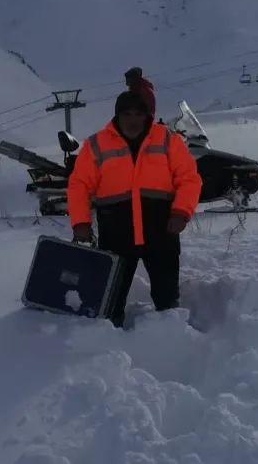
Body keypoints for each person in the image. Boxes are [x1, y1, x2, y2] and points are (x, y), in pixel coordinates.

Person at [67, 90, 202, 328]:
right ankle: (108, 346)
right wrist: (80, 222)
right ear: (117, 116)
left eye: (138, 114)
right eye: (126, 114)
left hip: (161, 230)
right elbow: (79, 185)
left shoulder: (167, 139)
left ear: (147, 116)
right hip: (116, 233)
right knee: (110, 300)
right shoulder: (95, 144)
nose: (132, 120)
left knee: (167, 298)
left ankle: (173, 338)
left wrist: (182, 211)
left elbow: (189, 178)